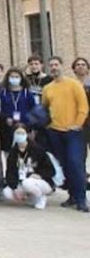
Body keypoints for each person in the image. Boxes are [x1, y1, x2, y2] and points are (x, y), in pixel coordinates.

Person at [42, 56, 89, 212]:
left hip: (73, 132)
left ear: (62, 66)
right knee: (64, 165)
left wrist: (78, 124)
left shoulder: (74, 85)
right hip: (55, 131)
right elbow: (44, 109)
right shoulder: (47, 88)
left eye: (56, 64)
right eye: (51, 65)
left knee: (75, 163)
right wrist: (47, 124)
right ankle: (72, 195)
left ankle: (82, 199)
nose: (54, 67)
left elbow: (83, 107)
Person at [2, 124, 56, 210]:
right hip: (21, 180)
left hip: (40, 182)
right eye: (17, 133)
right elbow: (10, 172)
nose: (19, 135)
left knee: (27, 183)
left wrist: (40, 175)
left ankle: (41, 197)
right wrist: (15, 188)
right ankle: (30, 197)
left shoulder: (37, 149)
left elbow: (51, 170)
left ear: (27, 134)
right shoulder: (13, 152)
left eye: (22, 133)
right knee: (7, 193)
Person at [0, 68, 36, 154]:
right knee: (9, 152)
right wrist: (6, 118)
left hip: (25, 127)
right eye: (12, 76)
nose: (14, 78)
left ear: (21, 78)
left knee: (25, 152)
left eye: (17, 76)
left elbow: (33, 110)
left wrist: (31, 127)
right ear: (8, 78)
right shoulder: (3, 93)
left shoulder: (27, 93)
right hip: (8, 128)